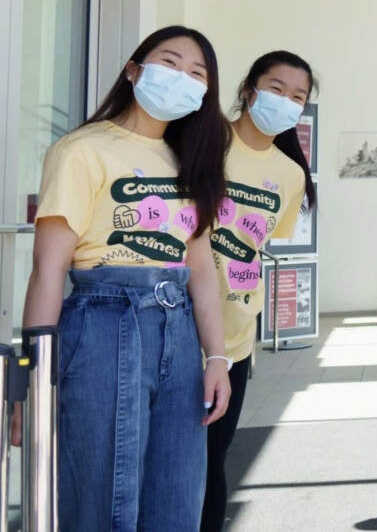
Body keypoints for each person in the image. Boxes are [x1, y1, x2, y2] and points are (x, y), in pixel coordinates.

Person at [18, 26, 232, 530]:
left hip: (178, 332)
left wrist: (217, 357)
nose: (181, 79)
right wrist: (34, 377)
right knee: (103, 501)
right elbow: (48, 270)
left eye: (196, 74)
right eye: (169, 63)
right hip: (102, 323)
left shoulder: (192, 160)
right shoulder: (81, 150)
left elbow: (200, 268)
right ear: (134, 71)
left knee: (177, 499)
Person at [201, 51, 317, 532]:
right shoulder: (205, 141)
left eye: (298, 97)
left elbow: (255, 244)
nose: (286, 102)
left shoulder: (290, 174)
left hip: (235, 339)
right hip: (174, 326)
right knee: (164, 464)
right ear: (249, 88)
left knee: (212, 461)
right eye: (276, 88)